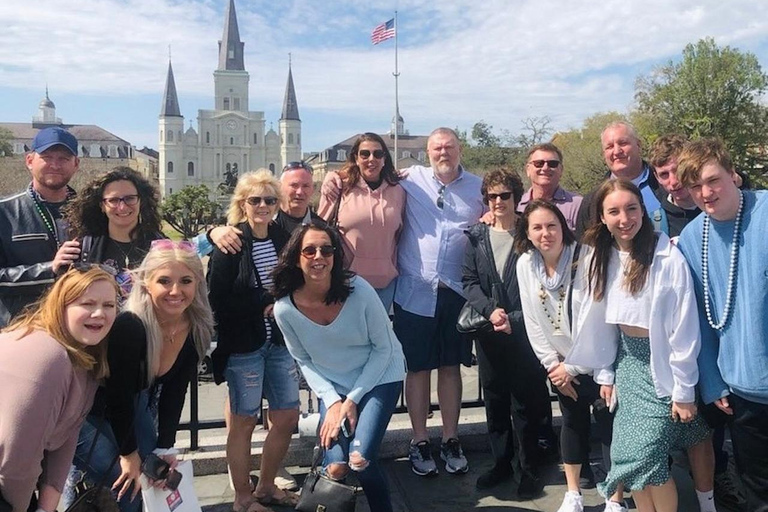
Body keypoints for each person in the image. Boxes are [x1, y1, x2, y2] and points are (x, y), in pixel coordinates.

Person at [569, 179, 715, 512]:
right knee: (634, 465)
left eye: (631, 208)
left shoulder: (665, 254)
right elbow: (599, 323)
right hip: (627, 367)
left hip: (662, 366)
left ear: (643, 210)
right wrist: (606, 373)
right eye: (614, 211)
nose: (624, 218)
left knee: (648, 458)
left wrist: (683, 390)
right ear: (602, 217)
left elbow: (683, 327)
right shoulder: (600, 257)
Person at [64, 241, 214, 512]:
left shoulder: (196, 328)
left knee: (156, 476)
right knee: (128, 484)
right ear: (146, 283)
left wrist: (165, 447)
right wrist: (128, 454)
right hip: (82, 411)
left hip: (131, 404)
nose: (175, 291)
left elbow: (175, 391)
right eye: (164, 281)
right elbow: (117, 395)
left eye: (186, 281)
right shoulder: (131, 326)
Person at [272, 222, 406, 512]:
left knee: (361, 459)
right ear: (297, 257)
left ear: (335, 256)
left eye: (326, 250)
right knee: (336, 467)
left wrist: (352, 400)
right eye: (309, 250)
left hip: (380, 374)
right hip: (334, 387)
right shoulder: (285, 309)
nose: (319, 256)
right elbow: (303, 360)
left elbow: (384, 349)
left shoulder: (359, 290)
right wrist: (333, 401)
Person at [648, 135, 745, 510]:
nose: (676, 181)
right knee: (703, 427)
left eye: (679, 171)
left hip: (738, 344)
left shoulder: (732, 205)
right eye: (666, 174)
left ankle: (721, 481)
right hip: (695, 344)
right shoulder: (658, 218)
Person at [676, 138, 768, 512]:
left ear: (734, 175)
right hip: (742, 392)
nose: (705, 193)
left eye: (713, 180)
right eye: (695, 186)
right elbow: (697, 316)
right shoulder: (691, 239)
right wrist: (712, 381)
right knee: (757, 492)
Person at [514, 200, 624, 512]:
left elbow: (598, 318)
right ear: (528, 232)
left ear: (563, 227)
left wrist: (576, 366)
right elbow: (533, 321)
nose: (546, 233)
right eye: (537, 227)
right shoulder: (526, 263)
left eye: (552, 225)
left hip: (599, 360)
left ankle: (615, 498)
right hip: (562, 366)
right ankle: (573, 494)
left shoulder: (586, 259)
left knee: (609, 427)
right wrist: (553, 366)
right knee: (573, 424)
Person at [393, 127, 485, 477]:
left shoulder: (478, 187)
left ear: (460, 149)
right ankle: (419, 440)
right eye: (436, 148)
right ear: (427, 152)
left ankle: (450, 437)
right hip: (415, 290)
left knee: (450, 367)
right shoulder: (410, 178)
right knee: (417, 369)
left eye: (449, 147)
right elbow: (365, 179)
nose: (442, 153)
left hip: (457, 292)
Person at [207, 170, 300, 511]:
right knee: (244, 419)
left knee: (287, 415)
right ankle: (242, 497)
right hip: (245, 344)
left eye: (270, 200)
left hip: (280, 342)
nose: (263, 206)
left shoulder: (283, 237)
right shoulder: (231, 243)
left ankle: (265, 486)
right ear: (242, 204)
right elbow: (218, 298)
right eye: (255, 200)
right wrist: (263, 301)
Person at [461, 169, 552, 496]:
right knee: (496, 401)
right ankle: (501, 462)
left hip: (524, 331)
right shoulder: (476, 236)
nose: (498, 202)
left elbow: (543, 284)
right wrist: (489, 311)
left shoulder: (529, 236)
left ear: (516, 198)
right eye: (492, 197)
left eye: (504, 196)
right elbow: (469, 281)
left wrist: (512, 316)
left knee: (524, 405)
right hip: (489, 331)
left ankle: (528, 469)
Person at [0, 266, 118, 512]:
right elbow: (17, 460)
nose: (100, 313)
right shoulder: (48, 356)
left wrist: (46, 508)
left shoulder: (82, 355)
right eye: (87, 303)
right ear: (61, 305)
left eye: (109, 305)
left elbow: (68, 433)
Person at [0, 127, 83, 326]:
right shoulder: (4, 212)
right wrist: (49, 270)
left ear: (76, 164)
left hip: (82, 330)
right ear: (30, 161)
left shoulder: (92, 211)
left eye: (64, 158)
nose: (55, 164)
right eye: (46, 157)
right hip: (25, 328)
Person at [318, 133, 405, 309]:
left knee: (377, 336)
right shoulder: (339, 186)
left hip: (385, 284)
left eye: (378, 154)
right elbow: (318, 229)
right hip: (346, 283)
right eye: (364, 154)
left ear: (384, 158)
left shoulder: (399, 190)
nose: (371, 159)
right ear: (356, 158)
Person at [64, 167, 165, 300]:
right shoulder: (82, 248)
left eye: (129, 198)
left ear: (141, 201)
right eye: (113, 200)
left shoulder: (161, 246)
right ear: (102, 205)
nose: (122, 207)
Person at [574, 121, 661, 238]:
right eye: (609, 147)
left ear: (638, 145)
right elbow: (584, 247)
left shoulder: (665, 183)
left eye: (623, 143)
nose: (617, 151)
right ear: (603, 154)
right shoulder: (593, 201)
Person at [516, 143, 583, 232]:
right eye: (539, 163)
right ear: (528, 170)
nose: (545, 168)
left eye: (552, 164)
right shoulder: (516, 205)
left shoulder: (579, 205)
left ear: (561, 170)